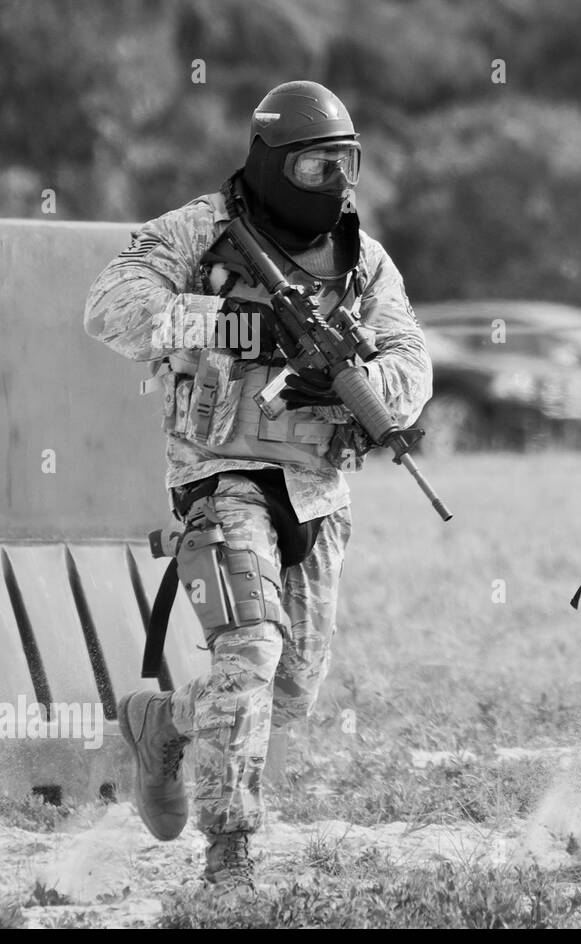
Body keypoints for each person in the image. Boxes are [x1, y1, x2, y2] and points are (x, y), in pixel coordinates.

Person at [85, 81, 432, 894]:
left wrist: (355, 381)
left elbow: (411, 359)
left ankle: (163, 724)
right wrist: (237, 324)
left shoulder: (362, 259)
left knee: (289, 690)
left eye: (346, 164)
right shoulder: (199, 230)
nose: (336, 183)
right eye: (316, 166)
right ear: (275, 161)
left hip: (316, 489)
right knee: (249, 647)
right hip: (219, 473)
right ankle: (229, 856)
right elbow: (111, 309)